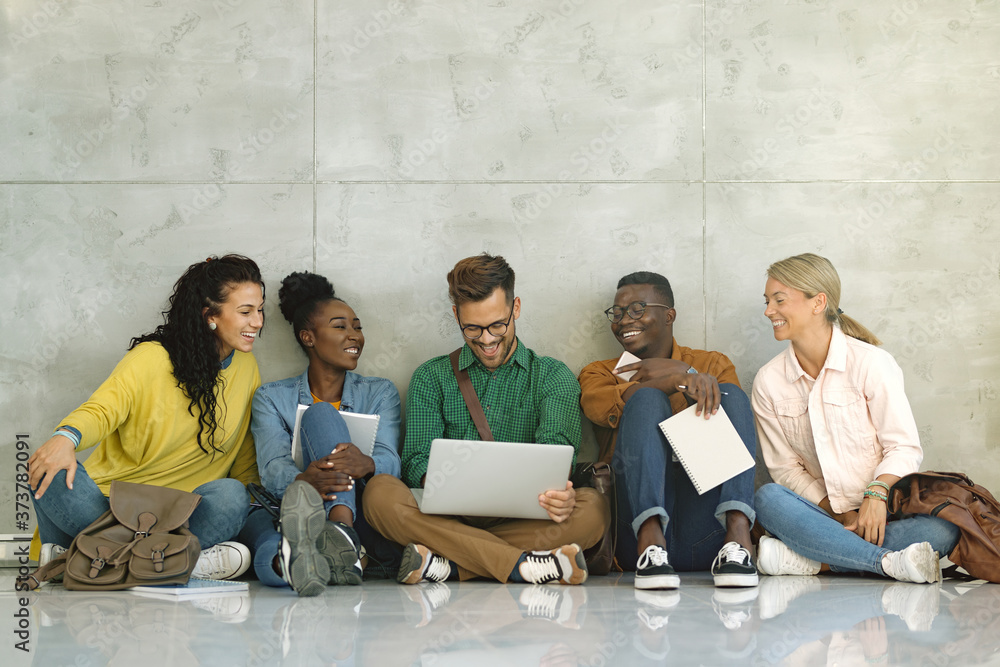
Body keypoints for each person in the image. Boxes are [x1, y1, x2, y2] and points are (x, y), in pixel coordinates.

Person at [363, 253, 609, 585]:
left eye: (497, 325)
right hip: (448, 517)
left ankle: (451, 565)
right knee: (379, 493)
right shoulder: (430, 377)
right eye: (472, 328)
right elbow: (416, 460)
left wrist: (559, 496)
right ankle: (525, 565)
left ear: (516, 308)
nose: (487, 339)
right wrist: (457, 485)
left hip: (519, 518)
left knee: (592, 509)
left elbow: (556, 458)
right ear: (456, 316)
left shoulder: (553, 376)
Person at [28, 254, 265, 580]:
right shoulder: (151, 358)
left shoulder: (246, 368)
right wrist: (65, 438)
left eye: (259, 310)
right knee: (48, 470)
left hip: (181, 516)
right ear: (210, 315)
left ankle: (88, 560)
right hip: (107, 511)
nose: (257, 322)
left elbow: (243, 455)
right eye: (245, 312)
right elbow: (102, 409)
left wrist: (257, 506)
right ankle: (176, 563)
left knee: (232, 495)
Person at [752, 253, 960, 583]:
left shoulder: (871, 363)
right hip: (820, 516)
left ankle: (816, 561)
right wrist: (840, 514)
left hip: (886, 512)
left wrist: (875, 495)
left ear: (818, 302)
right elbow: (784, 468)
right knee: (767, 499)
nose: (768, 311)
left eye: (779, 300)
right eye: (767, 301)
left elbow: (903, 447)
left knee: (945, 530)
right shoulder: (768, 381)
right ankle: (888, 563)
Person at [579, 271, 759, 590]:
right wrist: (678, 380)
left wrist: (686, 371)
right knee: (646, 398)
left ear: (669, 315)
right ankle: (651, 539)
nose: (623, 320)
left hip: (707, 529)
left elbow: (735, 420)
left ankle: (738, 537)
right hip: (632, 538)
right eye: (617, 312)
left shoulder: (710, 364)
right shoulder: (600, 371)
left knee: (730, 395)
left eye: (637, 309)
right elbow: (600, 407)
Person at [241, 272, 402, 596]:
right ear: (308, 337)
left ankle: (339, 529)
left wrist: (367, 463)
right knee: (269, 549)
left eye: (357, 326)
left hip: (361, 513)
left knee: (321, 415)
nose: (354, 336)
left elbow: (392, 463)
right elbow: (272, 468)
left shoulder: (380, 392)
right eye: (340, 326)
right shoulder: (272, 397)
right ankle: (327, 551)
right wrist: (304, 481)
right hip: (288, 509)